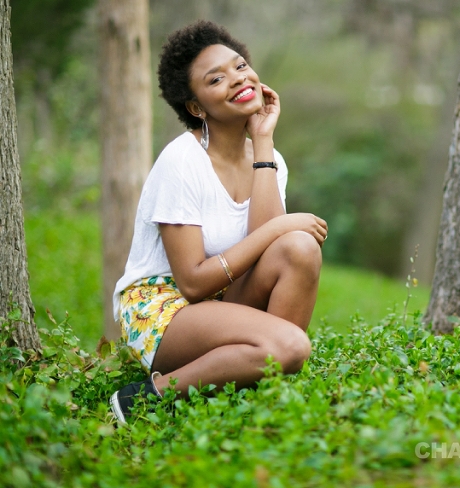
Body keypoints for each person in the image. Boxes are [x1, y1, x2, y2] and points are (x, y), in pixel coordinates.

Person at [109, 21, 328, 423]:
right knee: (292, 345)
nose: (238, 78)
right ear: (196, 107)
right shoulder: (182, 160)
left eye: (240, 66)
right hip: (165, 308)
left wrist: (264, 140)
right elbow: (192, 283)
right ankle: (145, 397)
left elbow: (270, 250)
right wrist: (281, 226)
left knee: (299, 248)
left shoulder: (271, 159)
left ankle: (255, 382)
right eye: (216, 79)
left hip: (225, 298)